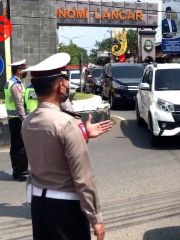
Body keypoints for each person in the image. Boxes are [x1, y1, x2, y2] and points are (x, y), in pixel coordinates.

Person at [22, 53, 112, 240]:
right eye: (65, 81)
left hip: (39, 206)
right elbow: (83, 178)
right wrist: (96, 218)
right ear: (59, 85)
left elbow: (49, 151)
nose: (68, 85)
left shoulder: (28, 122)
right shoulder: (68, 124)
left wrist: (83, 134)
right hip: (66, 210)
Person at [4, 59, 28, 181]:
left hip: (12, 118)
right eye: (23, 68)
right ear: (19, 70)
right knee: (21, 146)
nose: (25, 71)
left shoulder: (9, 82)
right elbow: (19, 104)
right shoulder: (16, 85)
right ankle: (21, 172)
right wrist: (25, 120)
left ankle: (17, 171)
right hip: (18, 119)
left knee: (15, 145)